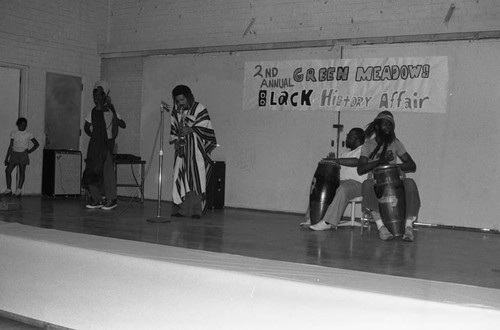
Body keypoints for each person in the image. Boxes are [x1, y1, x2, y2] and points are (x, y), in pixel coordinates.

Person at [357, 111, 420, 242]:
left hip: (396, 181)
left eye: (390, 125)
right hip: (376, 182)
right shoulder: (368, 145)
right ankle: (381, 227)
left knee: (410, 183)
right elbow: (361, 169)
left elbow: (412, 165)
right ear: (377, 126)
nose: (388, 128)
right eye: (385, 124)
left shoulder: (395, 143)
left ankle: (408, 227)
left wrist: (395, 167)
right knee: (367, 185)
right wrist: (379, 162)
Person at [300, 127, 367, 230]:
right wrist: (332, 163)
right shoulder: (345, 152)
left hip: (358, 184)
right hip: (342, 182)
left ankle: (328, 222)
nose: (347, 138)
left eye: (349, 136)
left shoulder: (364, 149)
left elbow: (356, 162)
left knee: (343, 189)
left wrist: (337, 160)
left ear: (358, 139)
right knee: (322, 185)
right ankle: (312, 219)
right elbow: (340, 164)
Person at [169, 85, 217, 219]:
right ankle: (184, 209)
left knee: (196, 179)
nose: (180, 103)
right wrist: (177, 137)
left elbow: (207, 127)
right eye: (177, 101)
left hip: (197, 151)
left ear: (188, 97)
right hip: (182, 150)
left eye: (183, 100)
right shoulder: (176, 112)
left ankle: (197, 210)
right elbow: (173, 129)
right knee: (182, 179)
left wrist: (191, 129)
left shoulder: (199, 108)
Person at [82, 81, 126, 210]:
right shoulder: (93, 111)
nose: (95, 98)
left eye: (98, 96)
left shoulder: (111, 109)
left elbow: (123, 124)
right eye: (94, 96)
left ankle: (112, 199)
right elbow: (86, 127)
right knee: (92, 170)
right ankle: (97, 199)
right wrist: (96, 136)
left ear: (104, 96)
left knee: (107, 172)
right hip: (96, 144)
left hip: (106, 145)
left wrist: (116, 118)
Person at [2, 117, 39, 197]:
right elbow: (11, 146)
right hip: (14, 154)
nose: (23, 127)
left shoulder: (29, 134)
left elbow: (36, 144)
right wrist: (6, 158)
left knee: (22, 172)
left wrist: (29, 151)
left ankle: (18, 190)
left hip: (23, 155)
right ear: (18, 125)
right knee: (8, 171)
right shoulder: (14, 133)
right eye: (21, 125)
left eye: (25, 125)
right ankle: (9, 189)